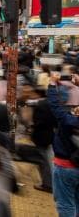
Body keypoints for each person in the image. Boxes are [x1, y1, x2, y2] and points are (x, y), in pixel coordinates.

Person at [47, 70, 79, 216]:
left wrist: (52, 84)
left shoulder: (68, 121)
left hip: (66, 166)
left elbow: (55, 105)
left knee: (65, 204)